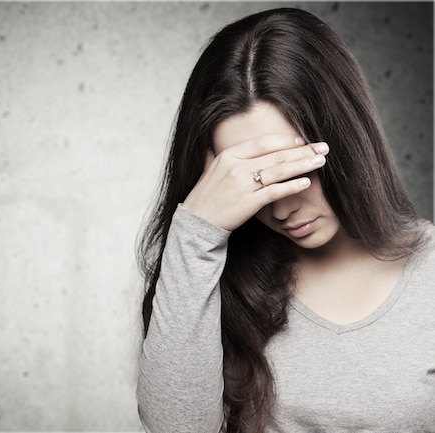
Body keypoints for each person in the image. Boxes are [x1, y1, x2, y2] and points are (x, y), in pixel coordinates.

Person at [135, 7, 435, 433]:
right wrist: (197, 228)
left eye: (291, 171)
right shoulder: (208, 277)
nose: (278, 209)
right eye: (249, 180)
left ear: (347, 139)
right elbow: (176, 427)